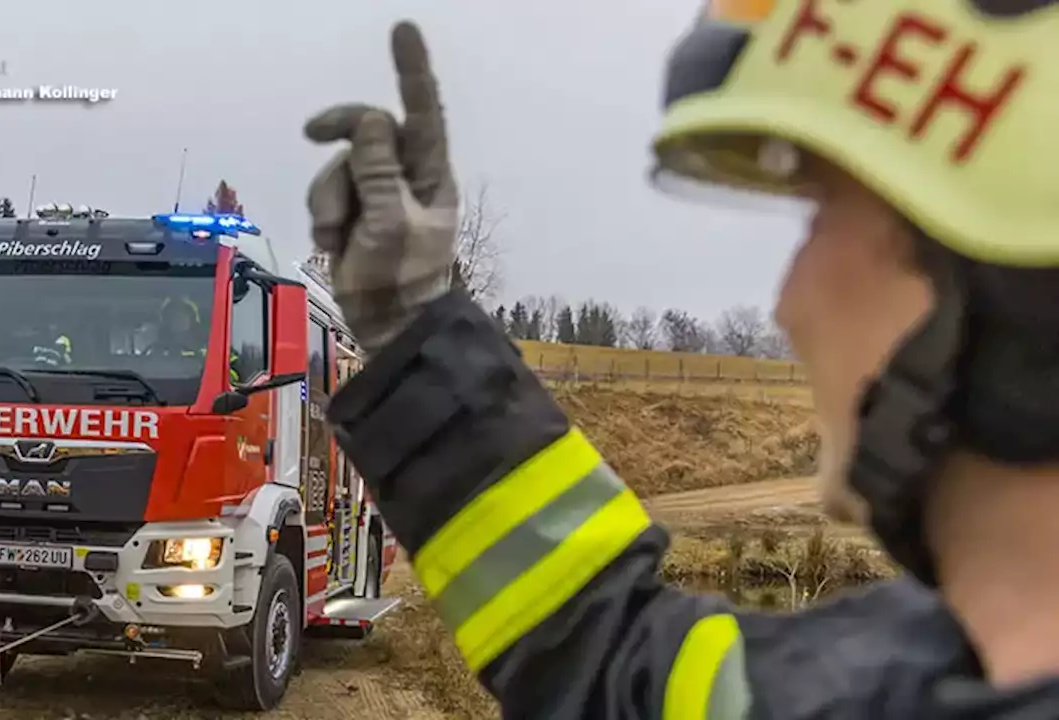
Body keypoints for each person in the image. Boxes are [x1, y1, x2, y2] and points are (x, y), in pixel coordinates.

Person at [302, 8, 1059, 719]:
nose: (789, 305)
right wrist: (416, 325)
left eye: (825, 212)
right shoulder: (879, 674)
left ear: (1005, 286)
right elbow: (606, 656)